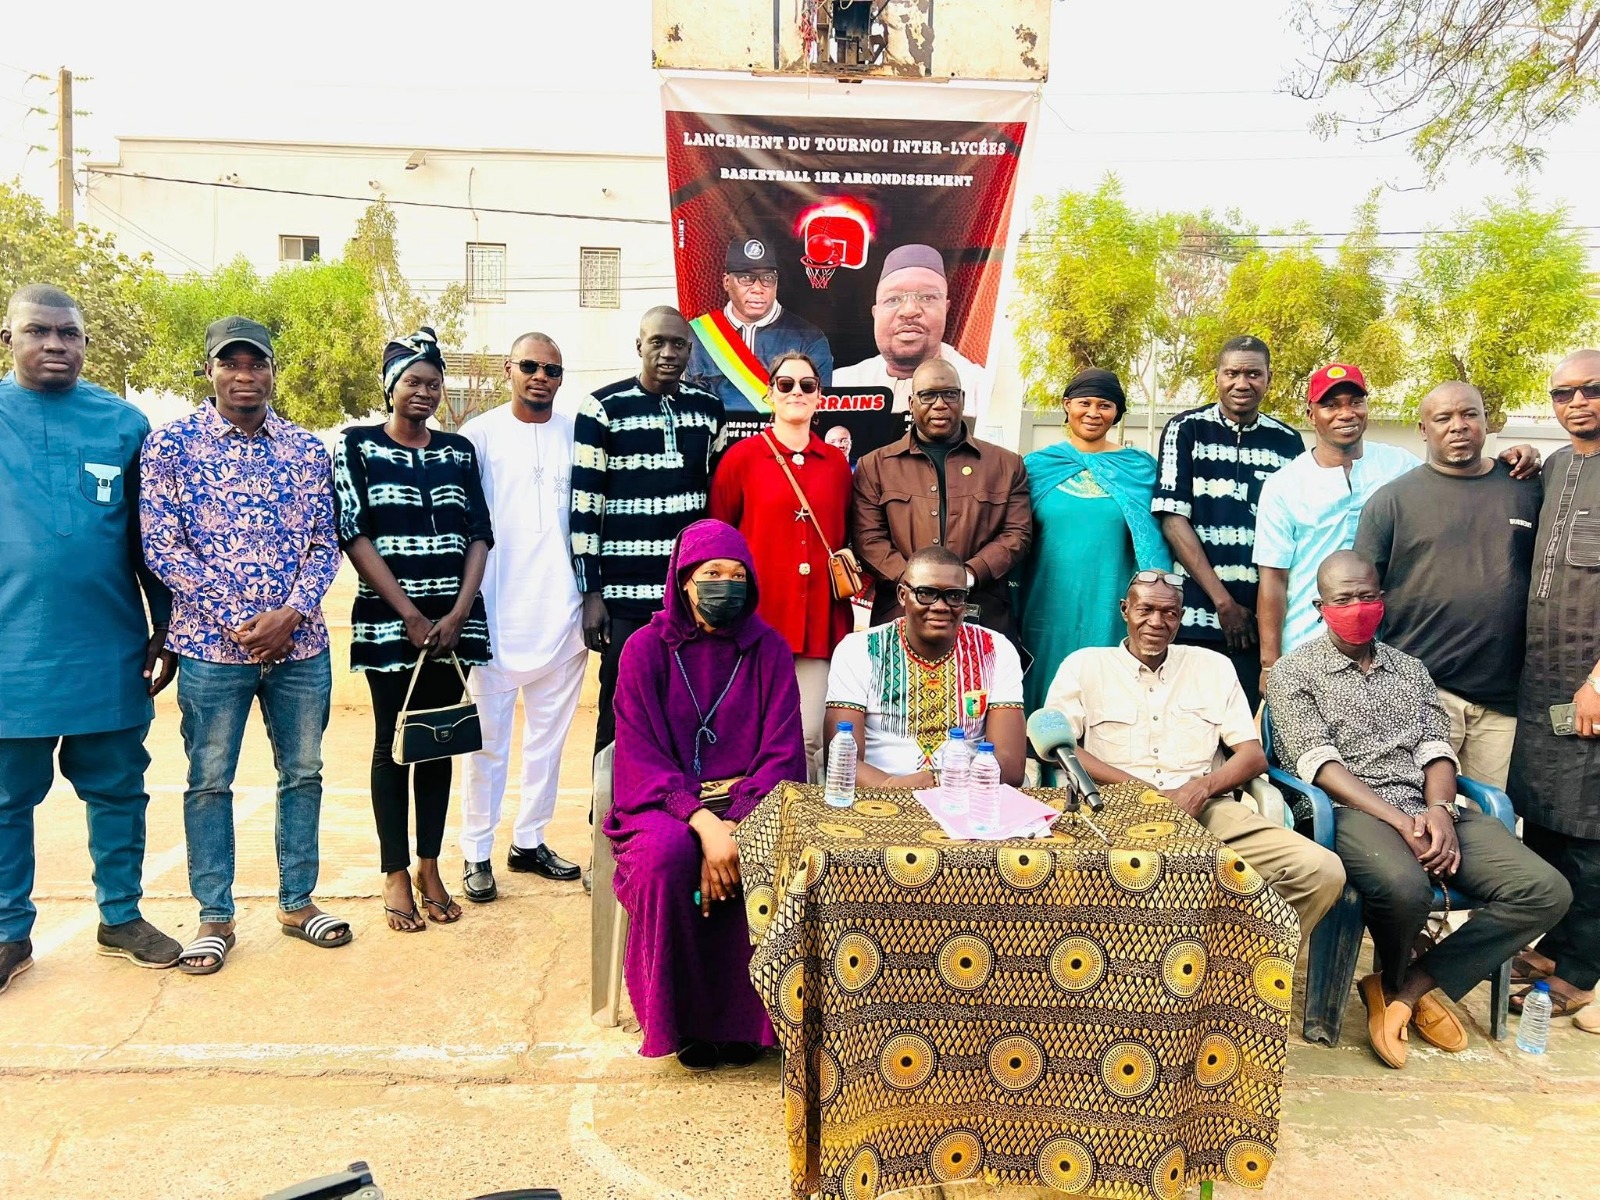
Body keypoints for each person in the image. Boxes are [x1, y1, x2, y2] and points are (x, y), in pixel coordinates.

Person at [1265, 551, 1570, 1069]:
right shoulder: (1295, 672)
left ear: (1382, 600)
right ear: (1320, 607)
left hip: (1427, 806)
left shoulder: (1410, 670)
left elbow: (1436, 750)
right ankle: (1405, 981)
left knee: (1545, 890)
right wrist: (1402, 821)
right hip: (1350, 810)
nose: (1357, 607)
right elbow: (1320, 766)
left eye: (1367, 596)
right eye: (1344, 599)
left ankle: (1407, 987)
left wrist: (1440, 810)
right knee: (1405, 889)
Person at [141, 316, 348, 974]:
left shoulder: (306, 449)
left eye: (256, 363)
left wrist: (291, 613)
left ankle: (297, 903)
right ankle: (215, 916)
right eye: (230, 363)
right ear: (209, 370)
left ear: (272, 371)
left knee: (304, 774)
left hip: (300, 647)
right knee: (209, 779)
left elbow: (325, 542)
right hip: (210, 648)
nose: (244, 375)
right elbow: (161, 546)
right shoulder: (170, 446)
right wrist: (240, 619)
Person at [0, 284, 181, 991]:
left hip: (107, 647)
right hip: (11, 655)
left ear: (85, 343)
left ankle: (121, 917)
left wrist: (166, 626)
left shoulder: (124, 425)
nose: (54, 344)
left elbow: (150, 539)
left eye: (68, 333)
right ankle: (8, 931)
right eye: (37, 331)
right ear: (9, 339)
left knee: (118, 789)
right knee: (5, 801)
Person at [605, 519, 806, 1071]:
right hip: (662, 803)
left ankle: (750, 1025)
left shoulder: (768, 650)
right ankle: (684, 1023)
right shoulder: (645, 649)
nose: (726, 585)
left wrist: (735, 823)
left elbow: (782, 754)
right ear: (685, 581)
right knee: (666, 858)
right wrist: (703, 822)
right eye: (713, 573)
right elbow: (639, 757)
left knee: (772, 854)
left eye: (738, 575)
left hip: (751, 801)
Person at [1043, 571, 1345, 935]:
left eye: (1169, 613)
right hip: (1112, 811)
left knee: (1320, 870)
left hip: (1206, 811)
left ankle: (1238, 960)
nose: (1156, 622)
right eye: (1145, 610)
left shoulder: (1212, 667)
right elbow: (1061, 747)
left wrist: (1199, 789)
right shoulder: (1084, 666)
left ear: (1181, 617)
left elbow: (1252, 755)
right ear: (1125, 610)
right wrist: (1144, 792)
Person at [333, 328, 492, 932]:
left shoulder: (458, 451)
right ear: (390, 387)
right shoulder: (357, 446)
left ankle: (429, 865)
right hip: (390, 623)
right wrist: (410, 613)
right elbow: (353, 532)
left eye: (432, 383)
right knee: (392, 745)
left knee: (438, 741)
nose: (423, 392)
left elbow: (480, 533)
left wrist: (457, 613)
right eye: (412, 382)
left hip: (454, 625)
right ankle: (394, 872)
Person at [1255, 363, 1537, 692]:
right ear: (1310, 415)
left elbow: (1455, 476)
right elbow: (1273, 580)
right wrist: (1269, 663)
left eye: (1355, 402)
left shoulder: (1400, 465)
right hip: (1306, 644)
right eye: (1331, 405)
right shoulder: (1284, 485)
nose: (1346, 413)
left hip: (1385, 652)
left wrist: (1511, 459)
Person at [1354, 382, 1540, 790]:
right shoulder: (1392, 501)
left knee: (1495, 814)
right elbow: (1361, 595)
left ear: (1487, 422)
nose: (1458, 426)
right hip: (1424, 693)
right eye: (1443, 418)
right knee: (1423, 811)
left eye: (1469, 414)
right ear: (1424, 429)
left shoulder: (1525, 487)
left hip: (1504, 699)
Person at [457, 334, 588, 896]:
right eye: (530, 366)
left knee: (547, 743)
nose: (540, 377)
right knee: (486, 744)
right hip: (495, 614)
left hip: (563, 615)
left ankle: (529, 840)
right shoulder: (478, 436)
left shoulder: (579, 433)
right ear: (509, 369)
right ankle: (476, 851)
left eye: (552, 370)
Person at [571, 307, 725, 753]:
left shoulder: (709, 410)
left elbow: (714, 504)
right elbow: (585, 507)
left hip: (687, 595)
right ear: (639, 346)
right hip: (623, 597)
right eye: (657, 342)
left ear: (690, 351)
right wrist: (591, 594)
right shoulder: (602, 409)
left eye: (678, 344)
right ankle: (608, 797)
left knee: (686, 708)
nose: (668, 353)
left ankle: (675, 797)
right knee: (619, 709)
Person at [1507, 349, 1600, 1033]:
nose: (1577, 403)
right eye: (1563, 394)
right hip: (1541, 679)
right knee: (1542, 819)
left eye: (1590, 390)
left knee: (1590, 829)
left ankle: (1581, 967)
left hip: (1591, 681)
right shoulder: (1557, 467)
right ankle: (1551, 942)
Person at [709, 352, 853, 773]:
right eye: (786, 384)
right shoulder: (741, 458)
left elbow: (847, 536)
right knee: (748, 736)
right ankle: (749, 815)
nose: (796, 392)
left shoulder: (837, 466)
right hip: (755, 623)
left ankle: (798, 817)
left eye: (807, 385)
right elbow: (718, 539)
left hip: (818, 624)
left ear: (819, 396)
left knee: (807, 738)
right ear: (770, 394)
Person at [1154, 336, 1303, 711]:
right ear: (1217, 377)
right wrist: (1224, 603)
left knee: (1246, 725)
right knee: (1190, 720)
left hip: (1259, 625)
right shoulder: (1185, 430)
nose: (1242, 383)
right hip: (1196, 617)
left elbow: (1294, 531)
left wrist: (1263, 618)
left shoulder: (1288, 442)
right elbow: (1173, 520)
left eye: (1253, 374)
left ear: (1268, 378)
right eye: (1232, 373)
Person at [1020, 368, 1170, 714]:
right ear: (1066, 405)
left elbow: (1155, 539)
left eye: (1104, 405)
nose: (1093, 413)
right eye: (1084, 403)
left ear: (1117, 412)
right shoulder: (1036, 467)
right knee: (1046, 690)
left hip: (1111, 603)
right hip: (1047, 604)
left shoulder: (1139, 469)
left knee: (1107, 688)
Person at [850, 359, 1031, 640]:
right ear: (911, 403)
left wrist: (967, 576)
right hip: (900, 615)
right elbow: (868, 539)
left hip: (982, 616)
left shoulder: (1006, 465)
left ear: (962, 399)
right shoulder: (875, 466)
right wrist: (918, 586)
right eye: (928, 395)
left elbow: (1017, 534)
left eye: (949, 394)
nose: (940, 404)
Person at [825, 546, 1026, 788]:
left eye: (954, 596)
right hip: (877, 797)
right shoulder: (859, 650)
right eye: (926, 593)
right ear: (902, 595)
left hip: (967, 798)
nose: (941, 606)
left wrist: (937, 782)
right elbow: (841, 762)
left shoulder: (994, 649)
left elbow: (1010, 766)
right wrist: (896, 788)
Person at [833, 244, 987, 415]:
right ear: (876, 314)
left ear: (946, 309)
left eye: (927, 297)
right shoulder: (838, 385)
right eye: (893, 299)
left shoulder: (981, 391)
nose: (909, 311)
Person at [685, 237, 833, 414]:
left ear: (776, 283)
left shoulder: (809, 339)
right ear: (726, 282)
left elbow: (818, 412)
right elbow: (687, 408)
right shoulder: (696, 335)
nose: (758, 288)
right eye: (746, 278)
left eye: (767, 278)